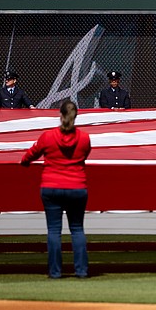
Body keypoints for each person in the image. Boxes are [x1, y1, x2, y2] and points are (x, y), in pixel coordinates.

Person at [20, 100, 92, 279]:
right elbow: (84, 155)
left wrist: (25, 162)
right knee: (77, 229)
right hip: (77, 187)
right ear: (75, 117)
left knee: (53, 230)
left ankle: (55, 272)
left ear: (60, 116)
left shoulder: (48, 136)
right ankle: (81, 271)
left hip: (51, 187)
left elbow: (31, 154)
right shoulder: (84, 138)